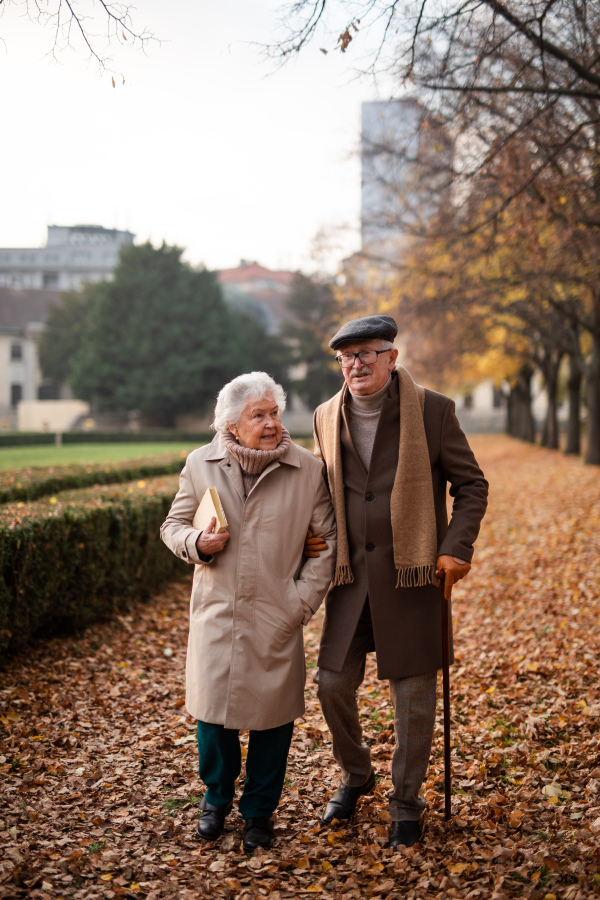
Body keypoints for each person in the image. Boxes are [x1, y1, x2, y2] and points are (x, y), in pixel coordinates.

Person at [312, 315, 488, 849]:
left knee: (413, 702)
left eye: (366, 353)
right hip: (348, 579)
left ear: (392, 356)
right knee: (331, 685)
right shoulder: (324, 415)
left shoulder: (433, 410)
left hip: (412, 579)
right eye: (346, 356)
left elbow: (472, 485)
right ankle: (356, 774)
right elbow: (317, 491)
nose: (356, 364)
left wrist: (455, 547)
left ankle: (406, 803)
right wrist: (304, 535)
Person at [160, 372, 336, 851]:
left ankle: (259, 812)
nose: (271, 422)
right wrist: (197, 542)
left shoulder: (307, 469)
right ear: (232, 425)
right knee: (212, 719)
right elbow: (173, 525)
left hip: (277, 615)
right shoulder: (200, 464)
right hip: (217, 612)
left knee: (273, 723)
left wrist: (299, 603)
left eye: (274, 412)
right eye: (257, 415)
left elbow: (327, 544)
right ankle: (215, 798)